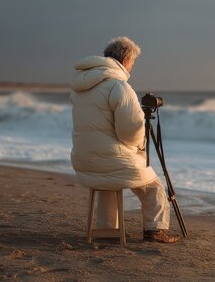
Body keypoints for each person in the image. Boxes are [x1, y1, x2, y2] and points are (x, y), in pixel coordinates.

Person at [70, 36, 180, 243]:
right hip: (110, 159)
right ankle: (155, 230)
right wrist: (140, 146)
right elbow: (130, 131)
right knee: (153, 186)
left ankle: (108, 229)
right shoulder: (118, 86)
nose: (132, 67)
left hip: (84, 159)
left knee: (108, 181)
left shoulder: (80, 88)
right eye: (133, 62)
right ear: (126, 60)